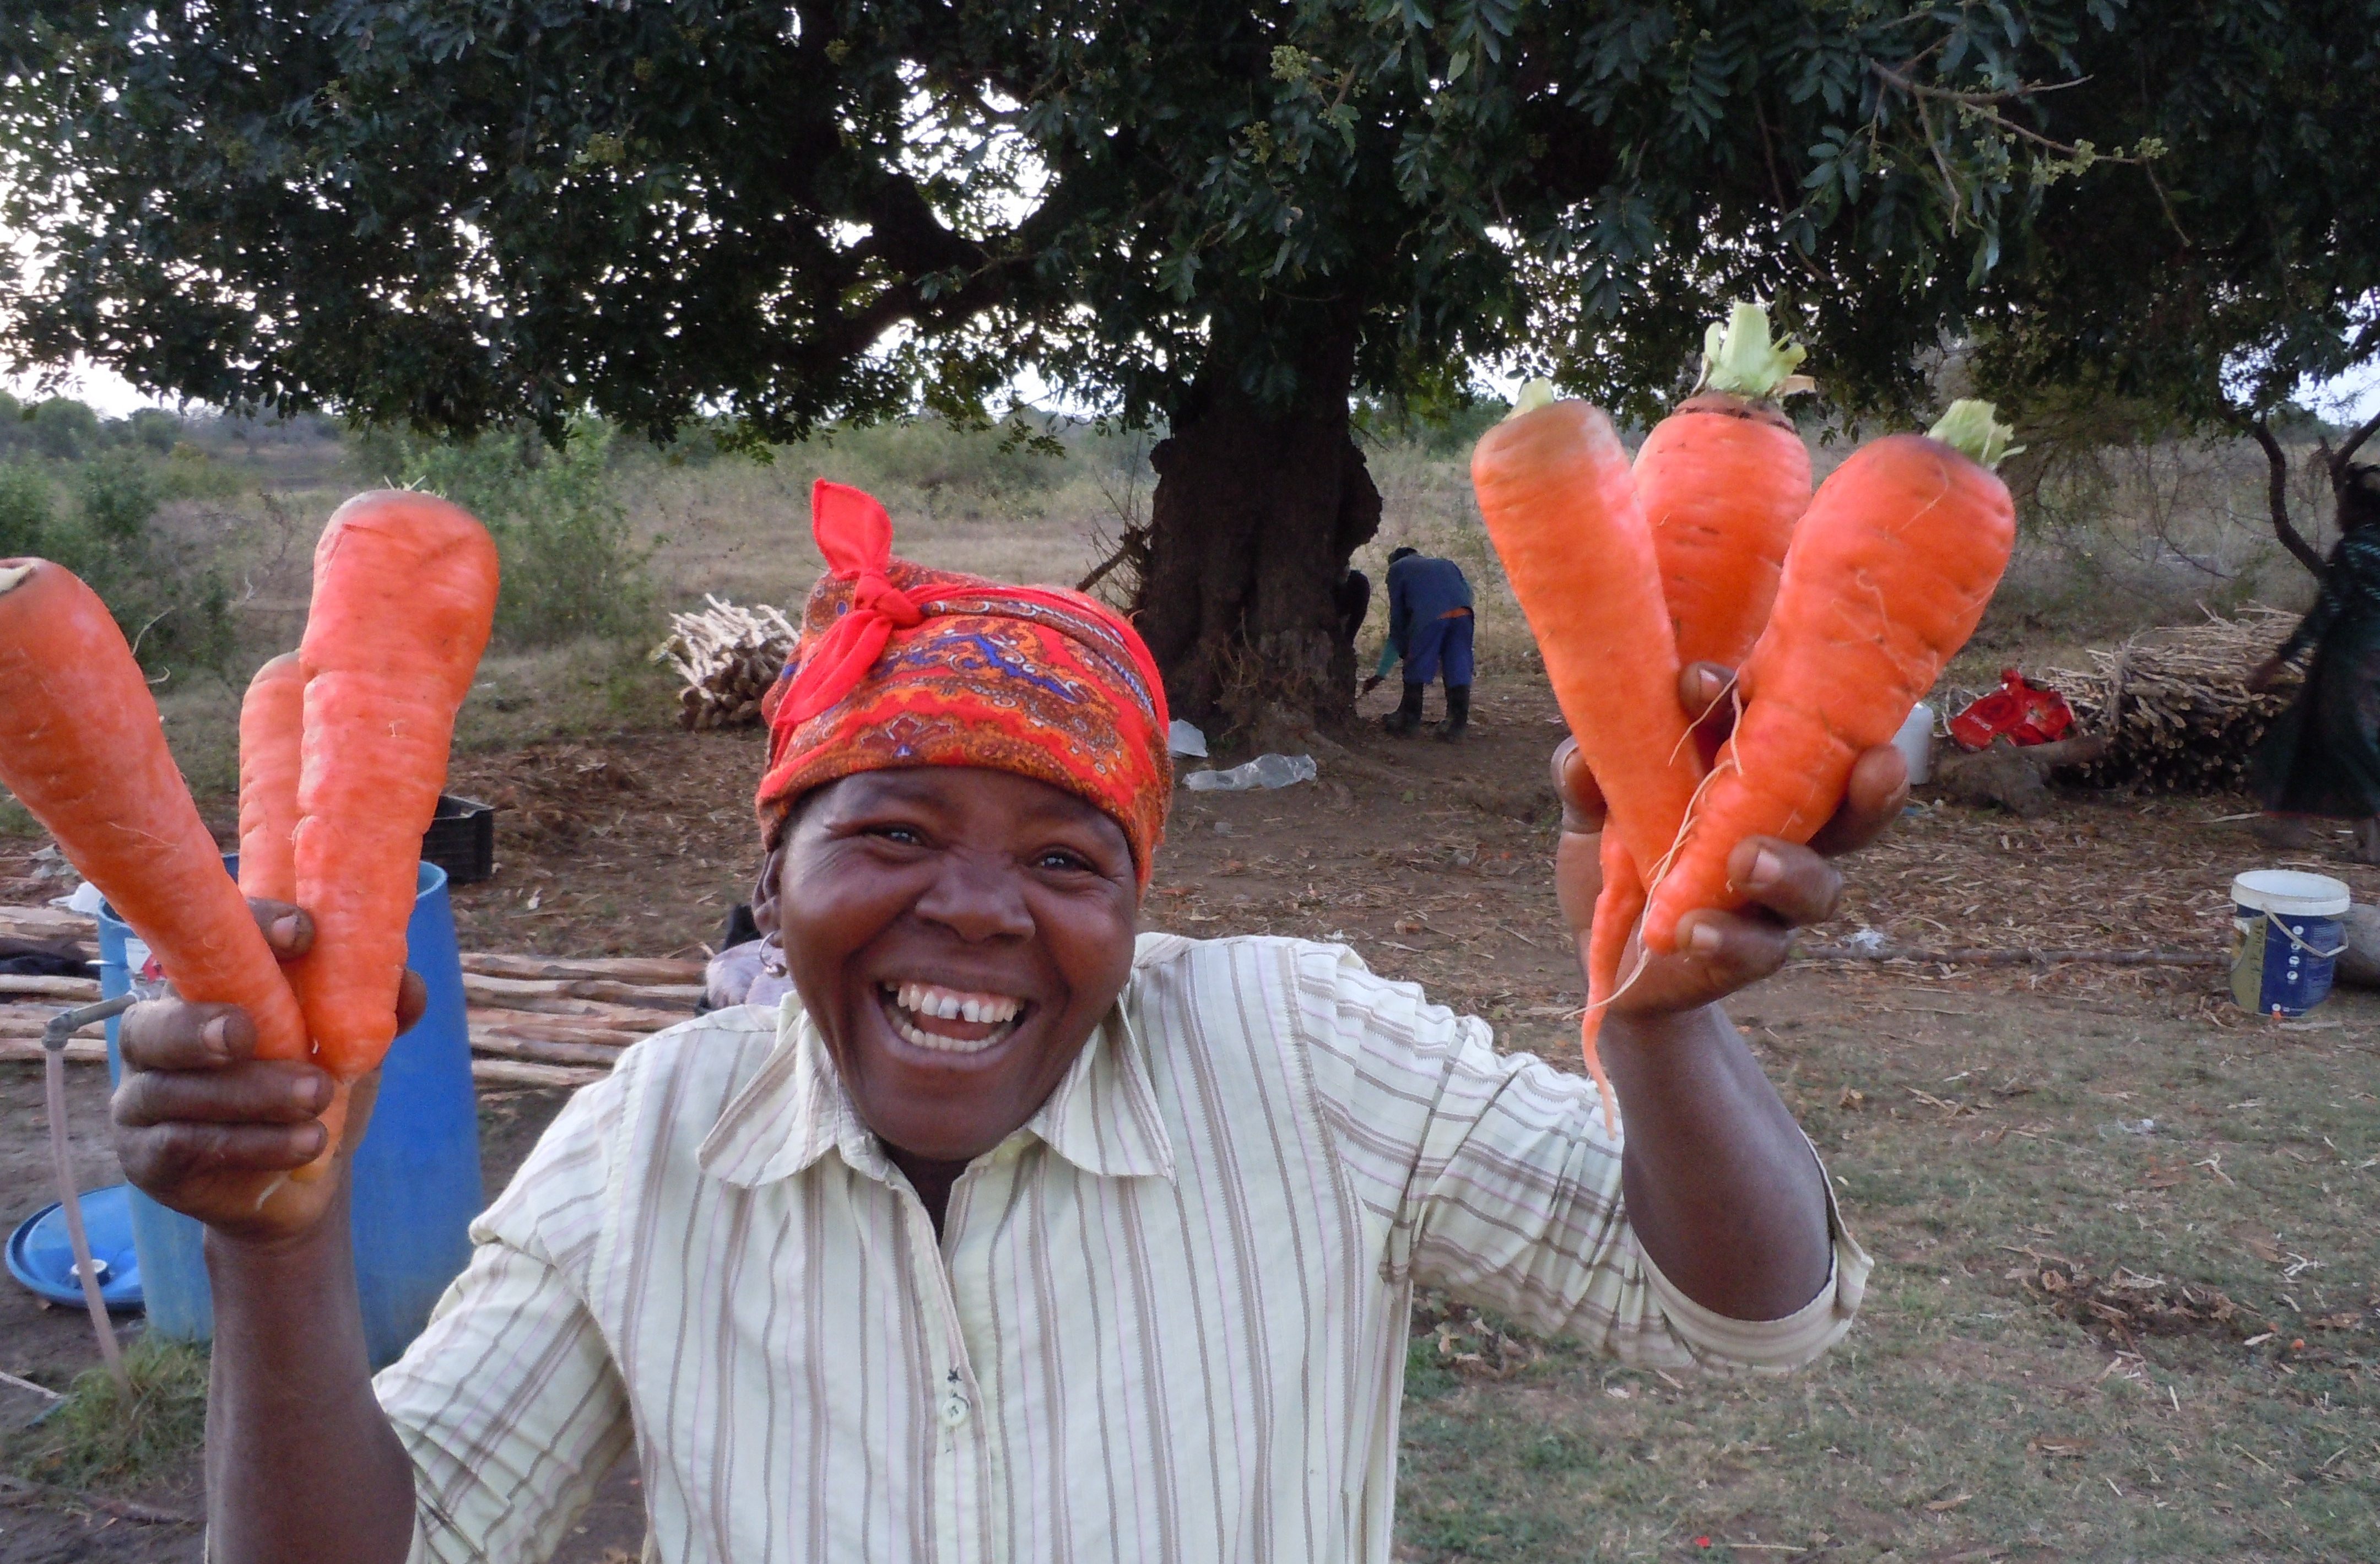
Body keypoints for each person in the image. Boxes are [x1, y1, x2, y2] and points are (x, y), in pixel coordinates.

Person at [112, 479, 1904, 1564]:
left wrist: (1658, 1028)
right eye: (889, 830)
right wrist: (282, 1243)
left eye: (1068, 854)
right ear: (777, 870)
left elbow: (1753, 1318)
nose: (977, 907)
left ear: (1138, 906)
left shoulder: (1302, 1051)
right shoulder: (643, 1147)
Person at [2248, 464, 2380, 862]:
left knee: (2353, 742)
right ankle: (2293, 827)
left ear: (2359, 509)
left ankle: (2375, 846)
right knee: (2313, 735)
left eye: (2343, 504)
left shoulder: (2355, 548)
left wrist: (2277, 660)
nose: (2337, 512)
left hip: (2353, 657)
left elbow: (2328, 611)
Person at [1363, 545, 1474, 740]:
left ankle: (1409, 721)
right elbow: (1469, 593)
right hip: (1463, 613)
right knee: (1458, 665)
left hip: (1430, 617)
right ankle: (1456, 726)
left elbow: (1398, 619)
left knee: (1416, 663)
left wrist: (1381, 673)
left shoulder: (1398, 568)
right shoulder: (1446, 564)